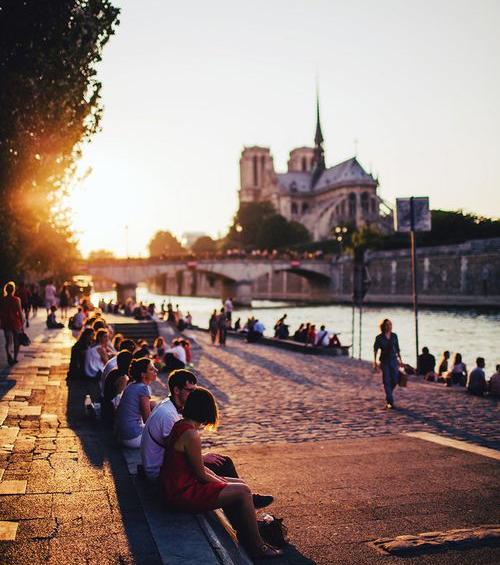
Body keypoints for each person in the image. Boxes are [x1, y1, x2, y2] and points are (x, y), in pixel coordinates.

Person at [160, 387, 283, 559]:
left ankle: (248, 533)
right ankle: (258, 546)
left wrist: (222, 480)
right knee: (242, 491)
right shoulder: (190, 434)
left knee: (241, 486)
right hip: (183, 492)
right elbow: (201, 474)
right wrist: (223, 484)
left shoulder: (181, 425)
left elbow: (199, 468)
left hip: (179, 485)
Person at [115, 357, 157, 448]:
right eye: (151, 369)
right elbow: (147, 419)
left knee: (154, 404)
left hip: (122, 435)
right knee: (162, 432)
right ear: (143, 374)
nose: (156, 370)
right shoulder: (143, 389)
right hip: (132, 438)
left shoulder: (131, 385)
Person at [373, 319, 403, 409]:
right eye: (387, 325)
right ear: (383, 326)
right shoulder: (379, 337)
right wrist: (375, 362)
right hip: (384, 361)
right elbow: (375, 350)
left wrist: (401, 361)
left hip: (394, 360)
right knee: (386, 380)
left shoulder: (394, 336)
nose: (389, 326)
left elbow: (397, 349)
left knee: (395, 380)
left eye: (390, 324)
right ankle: (390, 401)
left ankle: (388, 395)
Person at [102, 350, 133, 425]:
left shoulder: (113, 372)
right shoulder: (123, 378)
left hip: (106, 407)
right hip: (112, 413)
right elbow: (117, 401)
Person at [0, 281, 24, 366]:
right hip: (16, 323)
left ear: (6, 290)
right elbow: (20, 313)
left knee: (8, 342)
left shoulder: (2, 299)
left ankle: (8, 355)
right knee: (16, 341)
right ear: (13, 290)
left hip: (6, 323)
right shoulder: (17, 300)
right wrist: (22, 323)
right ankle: (15, 358)